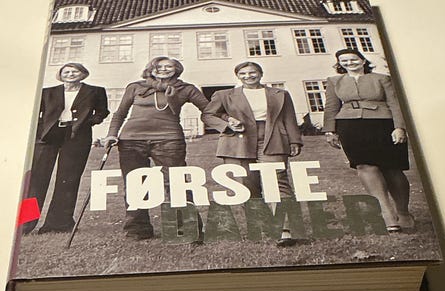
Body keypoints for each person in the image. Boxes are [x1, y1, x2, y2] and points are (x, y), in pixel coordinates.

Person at [103, 56, 209, 240]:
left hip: (169, 140)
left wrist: (226, 121)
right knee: (135, 183)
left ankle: (187, 228)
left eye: (169, 66)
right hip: (131, 140)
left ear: (177, 69)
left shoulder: (186, 88)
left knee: (176, 182)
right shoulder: (136, 87)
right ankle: (137, 229)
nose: (164, 69)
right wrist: (112, 134)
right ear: (150, 69)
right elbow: (120, 113)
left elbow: (209, 108)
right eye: (159, 66)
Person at [201, 61, 303, 246]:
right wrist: (227, 123)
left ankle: (284, 229)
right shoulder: (224, 95)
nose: (248, 76)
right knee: (246, 185)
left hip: (272, 137)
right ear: (237, 76)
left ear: (261, 73)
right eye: (243, 73)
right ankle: (261, 224)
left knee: (277, 181)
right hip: (238, 140)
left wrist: (295, 140)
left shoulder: (279, 94)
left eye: (253, 72)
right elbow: (208, 115)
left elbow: (289, 117)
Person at [323, 48, 413, 232]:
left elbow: (395, 104)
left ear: (363, 61)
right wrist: (330, 131)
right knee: (364, 166)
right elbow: (331, 107)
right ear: (339, 64)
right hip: (350, 127)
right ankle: (387, 214)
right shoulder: (334, 81)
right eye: (344, 61)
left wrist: (399, 127)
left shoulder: (382, 79)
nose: (349, 63)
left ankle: (403, 212)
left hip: (383, 124)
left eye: (353, 59)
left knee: (392, 169)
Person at [23, 63, 109, 234]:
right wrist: (41, 129)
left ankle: (58, 224)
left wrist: (87, 123)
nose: (70, 74)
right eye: (66, 72)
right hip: (47, 136)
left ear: (83, 74)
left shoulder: (95, 91)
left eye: (74, 71)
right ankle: (24, 224)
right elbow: (35, 112)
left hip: (77, 136)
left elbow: (102, 112)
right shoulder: (47, 92)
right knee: (36, 180)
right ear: (60, 74)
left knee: (68, 179)